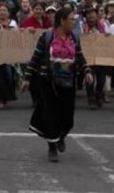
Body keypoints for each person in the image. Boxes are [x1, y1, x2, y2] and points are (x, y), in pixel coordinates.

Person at [21, 8, 93, 163]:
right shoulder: (46, 37)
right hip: (49, 82)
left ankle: (61, 135)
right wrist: (27, 78)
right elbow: (36, 57)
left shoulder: (74, 37)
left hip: (68, 83)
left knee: (68, 118)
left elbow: (79, 56)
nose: (74, 22)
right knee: (50, 115)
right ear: (62, 21)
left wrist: (87, 71)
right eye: (72, 19)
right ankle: (52, 147)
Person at [81, 7, 108, 109]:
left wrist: (107, 36)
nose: (91, 16)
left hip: (101, 55)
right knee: (90, 77)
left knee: (101, 79)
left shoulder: (103, 25)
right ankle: (91, 98)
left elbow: (109, 38)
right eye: (88, 14)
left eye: (92, 14)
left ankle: (98, 93)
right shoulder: (82, 26)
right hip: (88, 56)